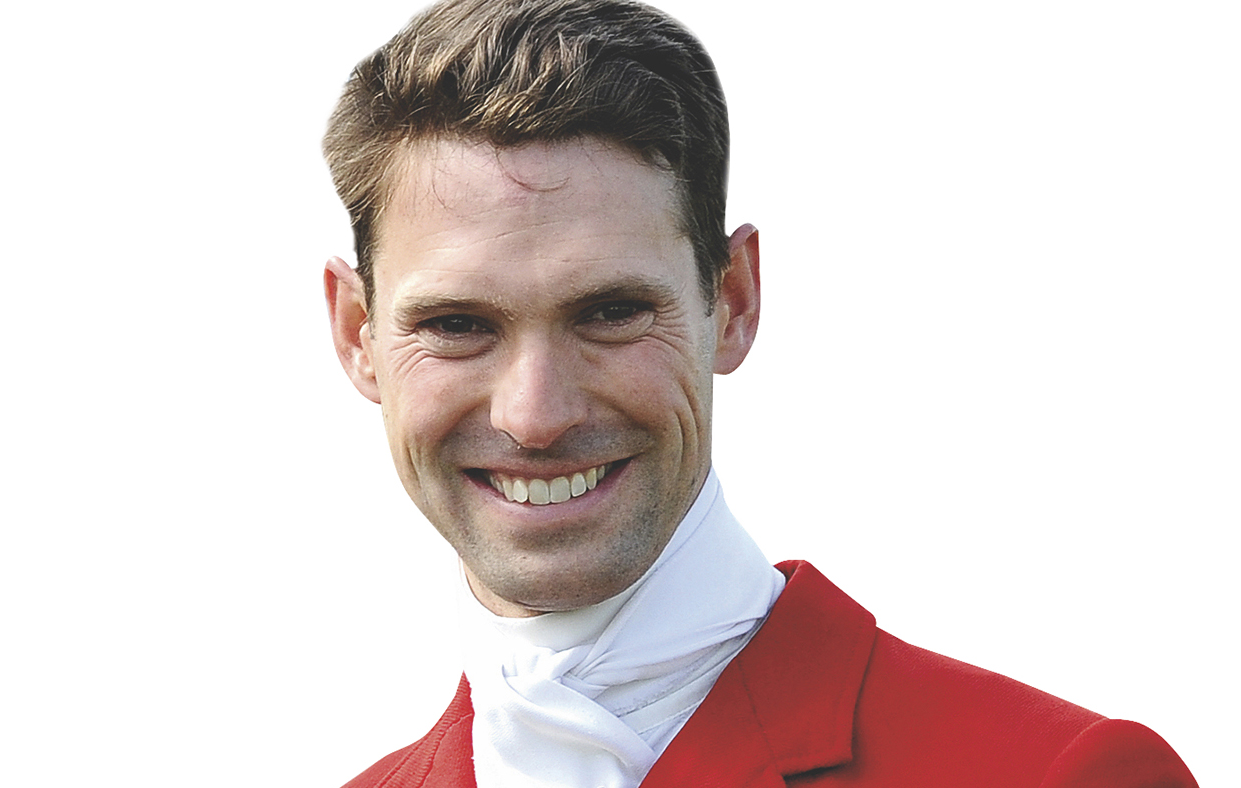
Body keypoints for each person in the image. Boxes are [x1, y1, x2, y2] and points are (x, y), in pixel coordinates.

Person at [320, 1, 1198, 786]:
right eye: (456, 324)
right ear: (360, 334)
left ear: (734, 301)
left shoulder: (1058, 775)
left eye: (612, 312)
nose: (536, 415)